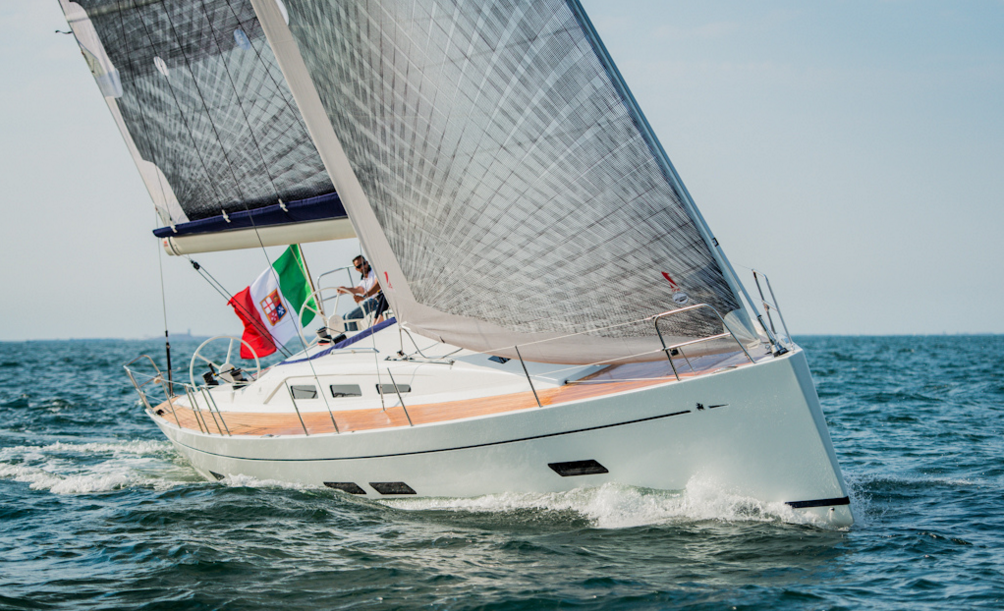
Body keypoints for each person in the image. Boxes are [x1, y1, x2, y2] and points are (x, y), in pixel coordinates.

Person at [337, 256, 387, 331]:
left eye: (364, 264)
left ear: (367, 262)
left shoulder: (374, 271)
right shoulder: (363, 280)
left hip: (378, 299)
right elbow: (358, 289)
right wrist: (345, 289)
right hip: (371, 301)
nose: (362, 267)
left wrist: (364, 297)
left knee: (350, 316)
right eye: (359, 266)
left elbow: (378, 285)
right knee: (344, 318)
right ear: (356, 269)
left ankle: (356, 338)